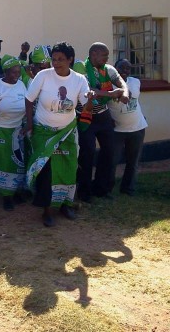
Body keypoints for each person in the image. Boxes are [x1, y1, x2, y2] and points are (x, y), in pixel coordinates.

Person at [23, 41, 94, 227]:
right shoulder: (43, 76)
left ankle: (66, 204)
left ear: (70, 59)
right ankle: (46, 210)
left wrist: (90, 101)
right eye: (54, 59)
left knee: (69, 167)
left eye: (61, 59)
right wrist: (30, 124)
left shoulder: (79, 79)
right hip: (43, 131)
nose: (56, 63)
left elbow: (85, 103)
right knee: (45, 169)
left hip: (67, 131)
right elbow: (29, 100)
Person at [76, 42, 129, 202]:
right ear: (94, 54)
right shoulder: (81, 68)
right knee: (87, 153)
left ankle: (101, 188)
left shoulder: (108, 69)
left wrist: (124, 93)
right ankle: (84, 192)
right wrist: (114, 94)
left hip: (103, 116)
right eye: (104, 55)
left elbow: (121, 82)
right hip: (85, 116)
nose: (107, 58)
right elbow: (89, 92)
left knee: (109, 151)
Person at [0, 55, 27, 211]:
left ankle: (16, 191)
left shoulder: (21, 85)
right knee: (3, 162)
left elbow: (27, 104)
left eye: (18, 72)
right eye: (13, 72)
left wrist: (27, 124)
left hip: (17, 129)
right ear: (5, 72)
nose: (16, 75)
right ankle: (6, 196)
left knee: (17, 162)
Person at [109, 59, 148, 196]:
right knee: (112, 161)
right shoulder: (108, 85)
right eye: (122, 68)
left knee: (133, 161)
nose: (125, 71)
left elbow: (133, 99)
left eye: (128, 68)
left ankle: (128, 188)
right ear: (115, 69)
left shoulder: (135, 82)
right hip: (117, 131)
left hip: (137, 127)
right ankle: (107, 188)